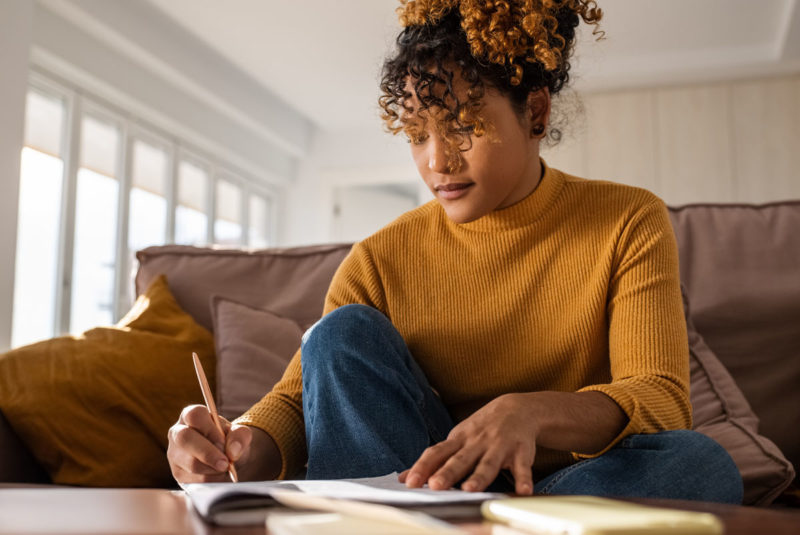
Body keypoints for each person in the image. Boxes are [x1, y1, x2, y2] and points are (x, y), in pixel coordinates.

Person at [167, 0, 742, 502]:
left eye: (462, 126)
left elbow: (661, 398)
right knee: (340, 334)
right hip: (420, 486)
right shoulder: (378, 258)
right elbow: (299, 405)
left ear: (535, 113)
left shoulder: (626, 219)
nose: (436, 162)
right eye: (418, 134)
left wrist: (531, 413)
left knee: (700, 465)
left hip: (566, 488)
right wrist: (231, 446)